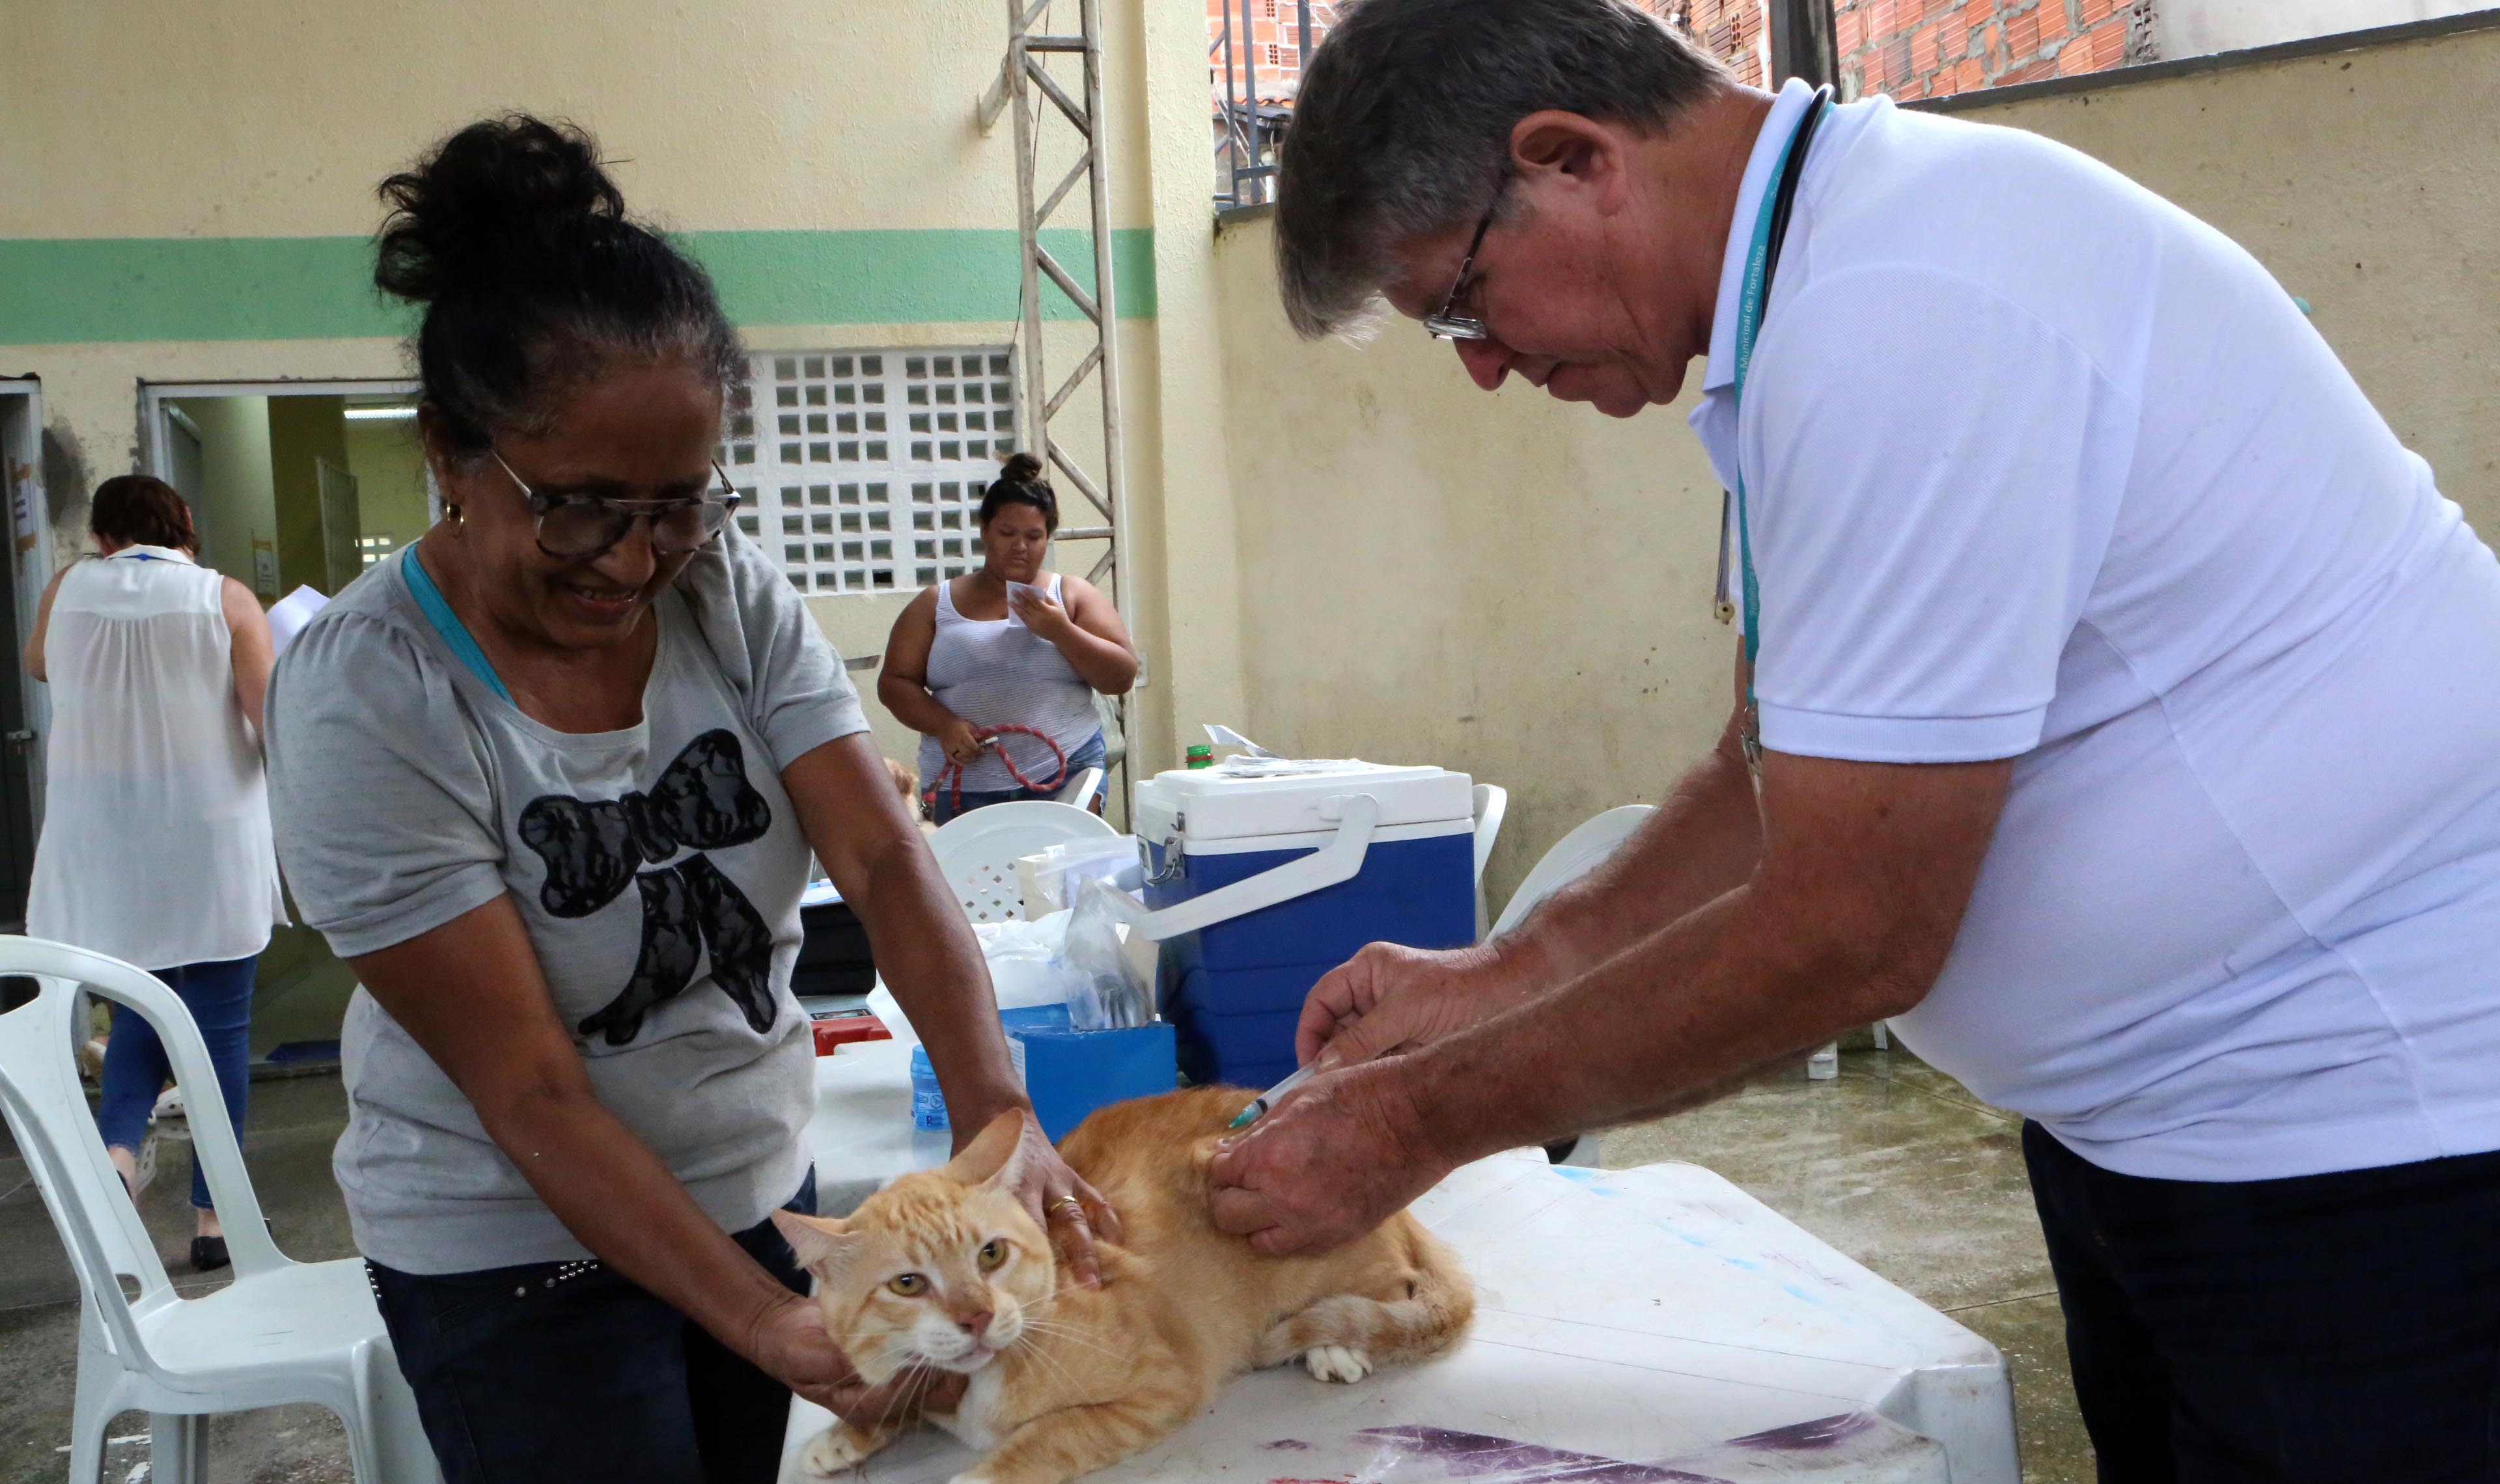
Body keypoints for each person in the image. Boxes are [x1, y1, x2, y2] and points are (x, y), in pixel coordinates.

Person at [1206, 3, 2500, 1479]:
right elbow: (1770, 769)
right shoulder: (1828, 287)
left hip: (2377, 1146)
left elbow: (1849, 929)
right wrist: (1510, 971)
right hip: (2168, 1133)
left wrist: (1413, 1120)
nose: (1483, 367)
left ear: (1568, 160)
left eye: (1458, 304)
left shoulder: (1904, 307)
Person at [262, 115, 1115, 1484]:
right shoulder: (368, 693)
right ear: (448, 451)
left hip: (756, 1199)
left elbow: (889, 865)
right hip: (517, 1264)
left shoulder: (727, 591)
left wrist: (996, 1139)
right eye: (583, 506)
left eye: (679, 504)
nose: (635, 559)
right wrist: (757, 1320)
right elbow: (528, 1085)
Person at [24, 474, 283, 1274]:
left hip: (104, 847)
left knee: (136, 1015)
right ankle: (214, 1220)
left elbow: (39, 663)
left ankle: (116, 1161)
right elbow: (269, 716)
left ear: (102, 535)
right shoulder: (227, 599)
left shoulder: (68, 588)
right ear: (185, 526)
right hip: (209, 845)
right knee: (219, 1034)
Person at [878, 453, 1137, 825]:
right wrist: (944, 725)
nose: (1020, 546)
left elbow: (1121, 677)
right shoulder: (938, 603)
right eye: (1007, 534)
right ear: (985, 530)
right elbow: (895, 682)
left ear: (1048, 538)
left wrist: (1061, 631)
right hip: (966, 784)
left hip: (1065, 771)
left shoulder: (1073, 595)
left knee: (1060, 878)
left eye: (1034, 536)